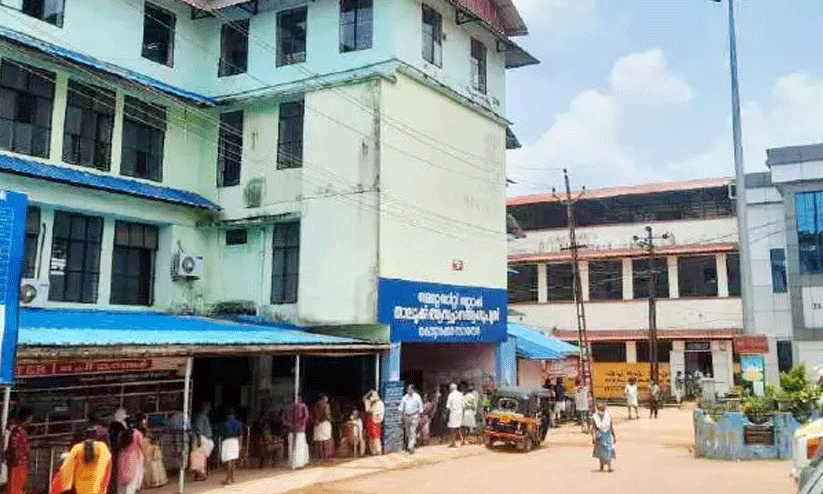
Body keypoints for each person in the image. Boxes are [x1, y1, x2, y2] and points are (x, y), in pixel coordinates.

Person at [51, 428, 112, 494]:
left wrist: (64, 487)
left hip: (78, 489)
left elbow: (65, 471)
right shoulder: (104, 450)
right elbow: (107, 474)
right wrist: (103, 490)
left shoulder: (77, 449)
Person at [116, 411, 149, 494]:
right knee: (132, 481)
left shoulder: (121, 433)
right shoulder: (137, 434)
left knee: (121, 480)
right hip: (133, 458)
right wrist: (146, 457)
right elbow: (142, 447)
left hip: (122, 457)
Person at [7, 408, 33, 494]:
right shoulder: (18, 431)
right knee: (16, 488)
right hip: (18, 464)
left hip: (20, 463)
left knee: (17, 488)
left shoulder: (19, 431)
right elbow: (14, 447)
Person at [282, 395, 309, 469]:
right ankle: (299, 463)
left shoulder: (288, 407)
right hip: (299, 430)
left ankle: (293, 463)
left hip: (292, 430)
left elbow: (283, 418)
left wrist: (289, 424)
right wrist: (299, 425)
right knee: (299, 446)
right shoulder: (303, 406)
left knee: (292, 447)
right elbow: (306, 417)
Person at [398, 384, 423, 453]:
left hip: (414, 416)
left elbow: (420, 407)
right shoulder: (404, 398)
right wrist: (400, 417)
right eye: (408, 389)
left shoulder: (417, 397)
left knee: (413, 431)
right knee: (408, 432)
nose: (409, 390)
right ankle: (410, 444)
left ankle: (411, 446)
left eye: (410, 389)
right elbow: (401, 408)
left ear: (413, 390)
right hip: (406, 416)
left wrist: (420, 416)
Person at [592, 402, 616, 473]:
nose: (602, 410)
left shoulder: (608, 416)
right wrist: (593, 437)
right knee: (600, 451)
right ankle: (601, 466)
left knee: (608, 449)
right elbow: (593, 428)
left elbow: (611, 426)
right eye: (600, 408)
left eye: (603, 408)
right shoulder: (595, 416)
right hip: (599, 435)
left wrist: (614, 436)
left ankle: (609, 467)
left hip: (607, 434)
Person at [221, 409, 243, 485]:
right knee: (233, 460)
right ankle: (232, 477)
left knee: (228, 461)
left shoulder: (224, 423)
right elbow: (240, 435)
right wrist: (240, 445)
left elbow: (221, 434)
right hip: (235, 441)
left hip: (227, 441)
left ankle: (228, 479)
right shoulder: (238, 423)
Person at [193, 402, 215, 472]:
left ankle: (204, 471)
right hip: (204, 438)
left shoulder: (204, 417)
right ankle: (202, 472)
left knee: (204, 456)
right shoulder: (201, 417)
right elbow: (198, 430)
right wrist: (199, 441)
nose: (209, 409)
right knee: (202, 456)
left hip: (207, 438)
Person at [311, 396, 333, 461]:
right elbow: (326, 415)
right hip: (324, 423)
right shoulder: (326, 405)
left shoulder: (314, 405)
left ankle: (319, 456)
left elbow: (311, 416)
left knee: (318, 441)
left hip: (317, 424)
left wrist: (316, 421)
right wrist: (329, 419)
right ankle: (325, 456)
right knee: (326, 441)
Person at [362, 390, 384, 455]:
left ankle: (378, 451)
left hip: (376, 420)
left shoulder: (380, 403)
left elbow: (381, 413)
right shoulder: (370, 402)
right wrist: (369, 392)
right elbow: (364, 399)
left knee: (376, 436)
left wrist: (378, 419)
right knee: (370, 436)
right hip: (370, 420)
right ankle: (373, 452)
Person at [445, 383, 464, 447]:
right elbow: (464, 405)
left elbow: (448, 406)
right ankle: (462, 441)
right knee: (459, 427)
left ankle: (453, 442)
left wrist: (446, 415)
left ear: (451, 389)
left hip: (453, 413)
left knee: (453, 429)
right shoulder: (461, 394)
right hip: (460, 413)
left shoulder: (451, 395)